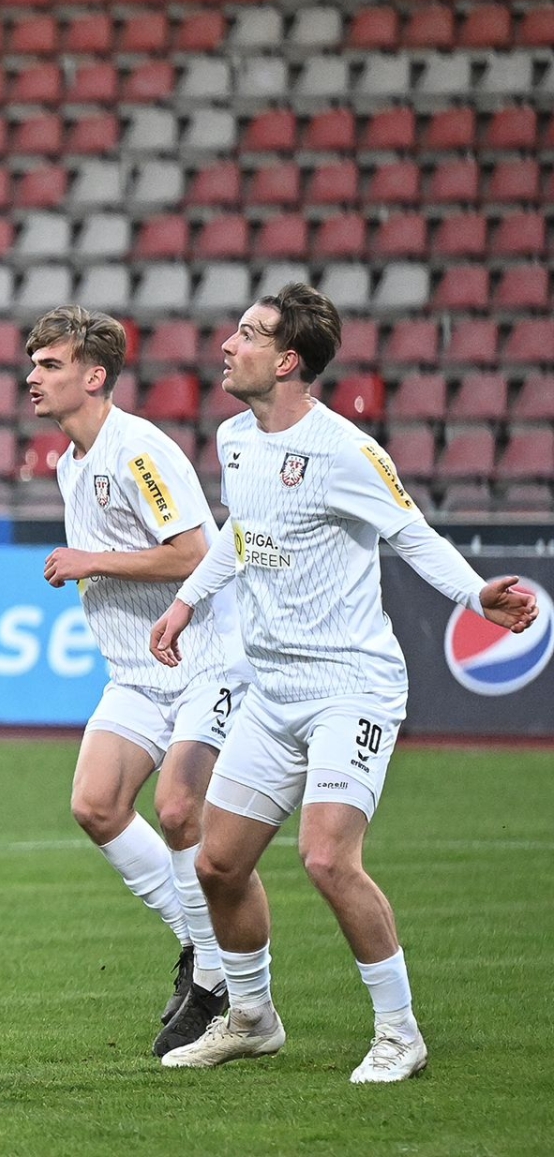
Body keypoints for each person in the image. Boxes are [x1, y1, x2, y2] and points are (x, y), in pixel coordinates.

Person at [150, 283, 538, 1082]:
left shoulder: (345, 452)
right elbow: (241, 532)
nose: (228, 343)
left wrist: (476, 596)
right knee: (217, 865)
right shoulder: (234, 439)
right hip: (273, 691)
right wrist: (187, 602)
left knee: (326, 857)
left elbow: (411, 533)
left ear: (287, 361)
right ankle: (251, 1019)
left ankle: (400, 1033)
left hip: (350, 686)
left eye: (249, 333)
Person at [25, 305, 251, 1057]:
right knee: (95, 804)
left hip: (202, 661)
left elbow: (193, 552)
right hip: (134, 671)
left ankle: (215, 979)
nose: (33, 378)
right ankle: (199, 943)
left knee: (179, 809)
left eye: (50, 365)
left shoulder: (139, 451)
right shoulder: (70, 462)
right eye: (34, 364)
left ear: (94, 376)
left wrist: (90, 561)